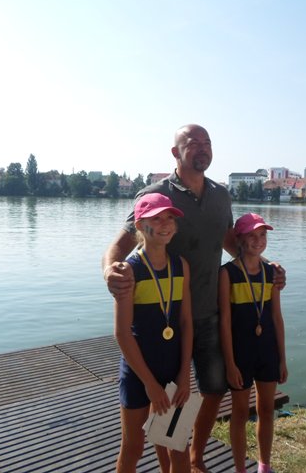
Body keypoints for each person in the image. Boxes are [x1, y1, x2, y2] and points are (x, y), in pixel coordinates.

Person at [103, 124, 285, 473]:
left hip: (209, 312)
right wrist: (110, 271)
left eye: (207, 142)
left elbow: (231, 242)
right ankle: (171, 458)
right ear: (176, 152)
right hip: (164, 320)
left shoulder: (220, 195)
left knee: (214, 388)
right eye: (193, 143)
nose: (202, 148)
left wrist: (265, 267)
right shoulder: (154, 194)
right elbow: (120, 245)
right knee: (157, 411)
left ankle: (195, 456)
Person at [114, 192, 193, 473]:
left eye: (170, 218)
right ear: (139, 225)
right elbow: (122, 333)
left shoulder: (181, 265)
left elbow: (186, 323)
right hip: (138, 375)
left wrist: (184, 375)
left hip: (172, 371)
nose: (165, 224)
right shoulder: (129, 270)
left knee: (178, 448)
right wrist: (149, 383)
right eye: (156, 219)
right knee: (133, 447)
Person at [219, 213, 287, 473]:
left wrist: (282, 358)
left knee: (266, 410)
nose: (258, 240)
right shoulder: (227, 273)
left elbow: (277, 317)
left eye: (262, 235)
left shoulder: (271, 273)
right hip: (241, 354)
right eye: (252, 236)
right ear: (239, 239)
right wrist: (229, 364)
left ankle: (264, 465)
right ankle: (240, 469)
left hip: (267, 352)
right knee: (239, 413)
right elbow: (225, 322)